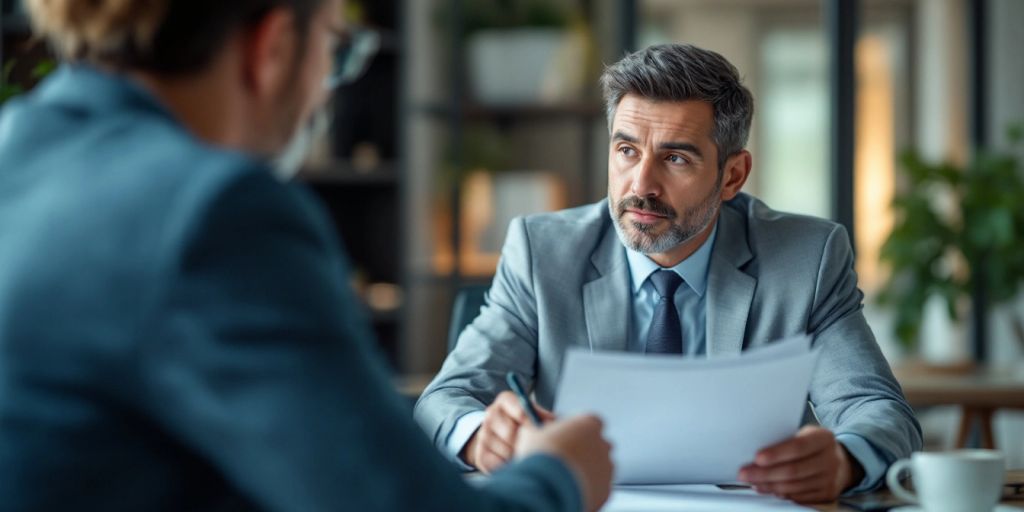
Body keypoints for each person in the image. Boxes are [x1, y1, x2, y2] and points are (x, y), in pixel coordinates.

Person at [0, 1, 614, 510]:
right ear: (271, 45)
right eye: (335, 50)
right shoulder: (213, 212)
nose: (327, 89)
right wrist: (559, 472)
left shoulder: (17, 148)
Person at [415, 43, 923, 504]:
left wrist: (844, 460)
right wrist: (481, 436)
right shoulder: (542, 250)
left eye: (675, 157)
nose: (642, 184)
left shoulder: (806, 257)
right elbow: (444, 399)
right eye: (627, 150)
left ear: (732, 176)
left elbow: (878, 410)